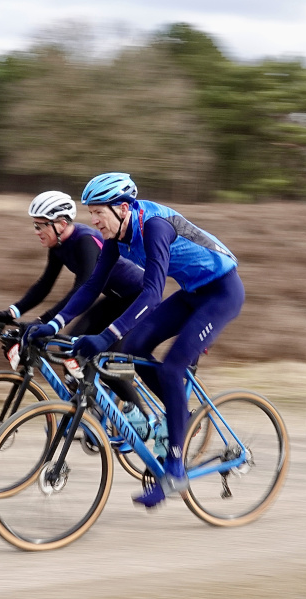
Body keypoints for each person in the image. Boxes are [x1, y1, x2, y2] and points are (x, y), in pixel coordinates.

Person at [26, 172, 243, 509]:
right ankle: (179, 415)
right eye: (91, 213)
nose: (93, 220)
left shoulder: (154, 227)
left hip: (222, 294)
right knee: (133, 348)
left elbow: (152, 295)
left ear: (123, 208)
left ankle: (175, 470)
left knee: (171, 368)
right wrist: (53, 324)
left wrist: (105, 336)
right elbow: (91, 286)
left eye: (99, 212)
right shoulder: (116, 236)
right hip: (191, 293)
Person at [0, 191, 144, 336]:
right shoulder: (57, 245)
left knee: (101, 348)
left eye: (41, 226)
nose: (36, 232)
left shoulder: (85, 241)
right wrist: (11, 313)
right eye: (35, 225)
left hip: (141, 298)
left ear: (62, 224)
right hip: (116, 298)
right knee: (71, 343)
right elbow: (45, 284)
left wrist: (45, 320)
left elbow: (83, 287)